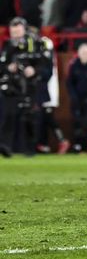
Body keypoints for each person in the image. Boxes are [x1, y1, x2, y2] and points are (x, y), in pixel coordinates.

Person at [0, 18, 50, 156]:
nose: (15, 34)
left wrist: (34, 70)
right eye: (13, 32)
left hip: (30, 85)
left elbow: (45, 64)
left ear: (24, 29)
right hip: (12, 85)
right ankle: (5, 147)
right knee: (8, 116)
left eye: (18, 31)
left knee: (29, 117)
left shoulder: (35, 43)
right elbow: (2, 65)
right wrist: (9, 68)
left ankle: (29, 148)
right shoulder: (8, 45)